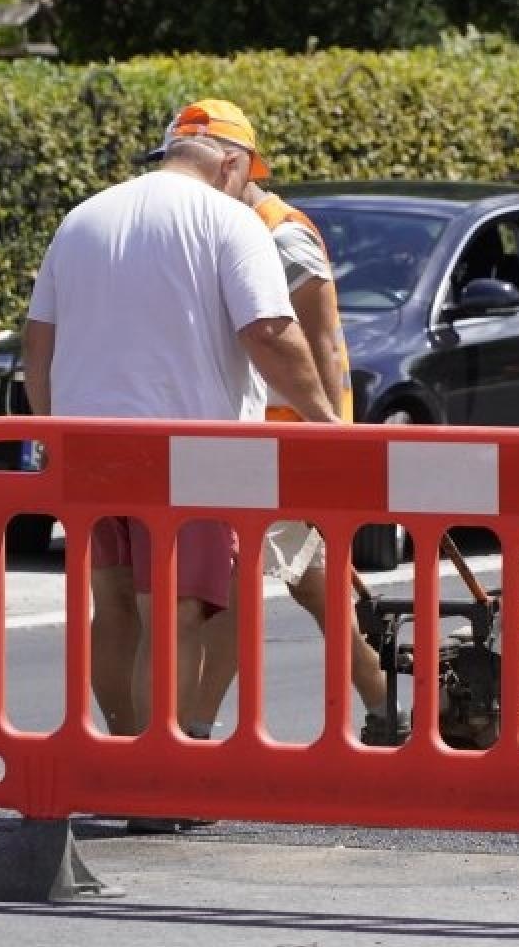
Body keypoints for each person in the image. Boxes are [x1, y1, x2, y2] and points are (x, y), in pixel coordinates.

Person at [22, 99, 340, 754]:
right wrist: (326, 422)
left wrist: (55, 433)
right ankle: (158, 774)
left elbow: (37, 346)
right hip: (187, 455)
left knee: (112, 608)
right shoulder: (231, 221)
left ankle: (118, 756)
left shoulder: (82, 219)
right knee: (175, 614)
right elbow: (271, 333)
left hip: (90, 449)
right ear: (230, 163)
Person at [186, 181, 407, 744]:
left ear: (231, 168)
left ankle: (192, 729)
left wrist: (331, 444)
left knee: (236, 590)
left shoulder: (280, 236)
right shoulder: (229, 227)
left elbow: (322, 341)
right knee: (315, 584)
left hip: (280, 450)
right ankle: (384, 701)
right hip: (256, 449)